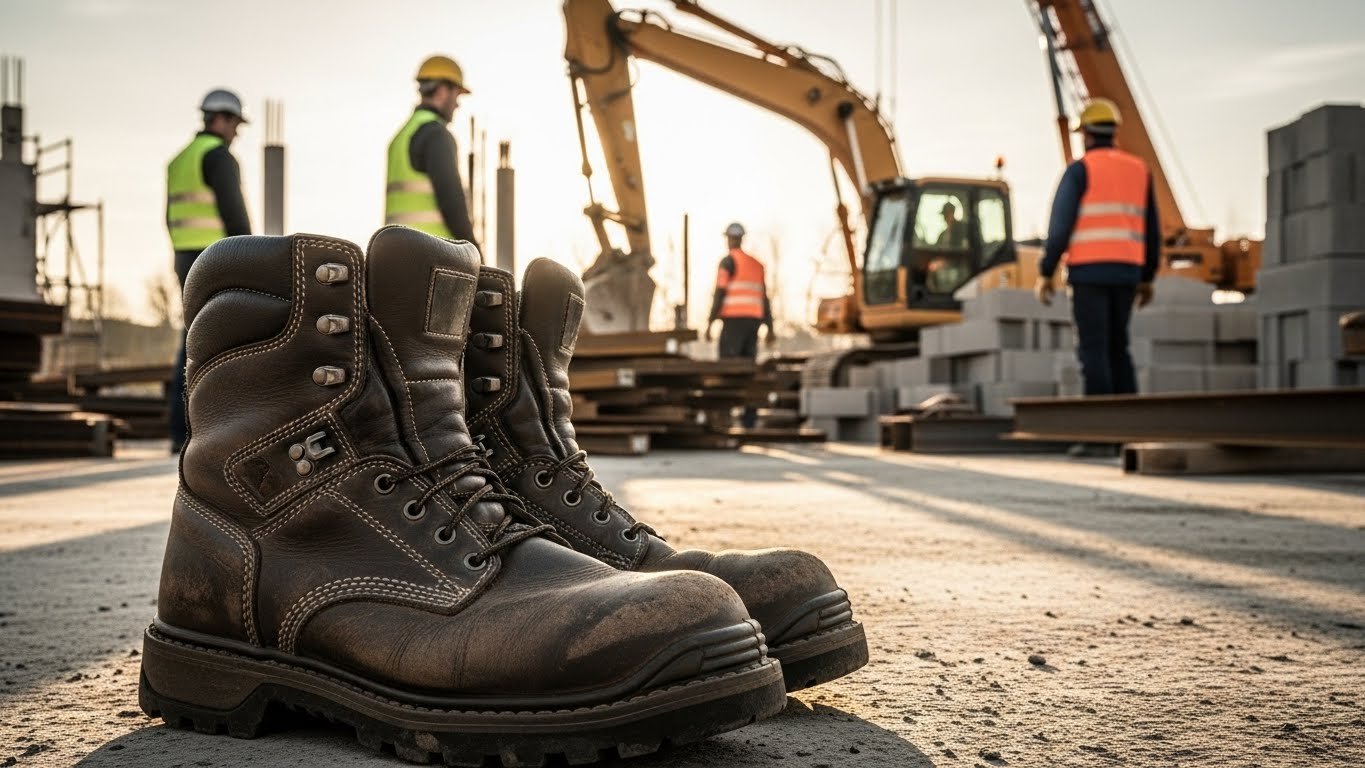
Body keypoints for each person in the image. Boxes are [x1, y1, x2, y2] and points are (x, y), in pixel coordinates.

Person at [1035, 98, 1160, 455]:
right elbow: (1152, 229)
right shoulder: (1139, 170)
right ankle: (1128, 434)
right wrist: (1148, 275)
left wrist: (1046, 271)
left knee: (1094, 351)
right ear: (1114, 131)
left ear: (1086, 134)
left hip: (1089, 271)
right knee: (1119, 348)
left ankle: (1100, 437)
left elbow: (1060, 227)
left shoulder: (1080, 170)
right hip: (1127, 272)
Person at [165, 88, 252, 454]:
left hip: (186, 258)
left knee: (193, 341)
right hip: (217, 259)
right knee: (223, 343)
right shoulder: (218, 157)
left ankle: (179, 429)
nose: (236, 133)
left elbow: (170, 218)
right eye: (235, 124)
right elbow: (235, 215)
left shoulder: (179, 160)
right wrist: (253, 258)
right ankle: (213, 429)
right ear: (222, 118)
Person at [385, 55, 477, 247]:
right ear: (443, 91)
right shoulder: (436, 135)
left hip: (393, 255)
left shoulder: (399, 138)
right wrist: (476, 255)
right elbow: (452, 205)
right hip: (432, 255)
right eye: (457, 95)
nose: (457, 104)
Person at [704, 222, 775, 428]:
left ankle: (724, 416)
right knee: (748, 370)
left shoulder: (728, 262)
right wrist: (770, 327)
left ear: (729, 239)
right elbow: (765, 298)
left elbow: (720, 292)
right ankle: (749, 419)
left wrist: (709, 323)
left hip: (733, 322)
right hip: (753, 322)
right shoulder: (756, 264)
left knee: (727, 369)